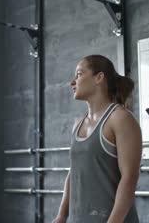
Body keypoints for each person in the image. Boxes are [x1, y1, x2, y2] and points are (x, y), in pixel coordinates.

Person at [53, 55, 142, 223]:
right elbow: (73, 173)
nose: (72, 82)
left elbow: (129, 177)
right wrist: (62, 216)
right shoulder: (78, 124)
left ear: (99, 78)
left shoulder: (120, 118)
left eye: (79, 74)